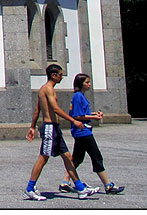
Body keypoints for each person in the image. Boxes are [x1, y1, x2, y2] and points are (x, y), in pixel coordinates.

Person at [24, 64, 100, 201]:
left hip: (55, 129)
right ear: (53, 75)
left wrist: (32, 127)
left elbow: (37, 110)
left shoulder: (45, 89)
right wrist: (74, 121)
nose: (61, 77)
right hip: (50, 128)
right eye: (60, 74)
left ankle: (81, 188)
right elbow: (56, 109)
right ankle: (30, 188)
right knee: (43, 158)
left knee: (67, 157)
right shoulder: (48, 89)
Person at [57, 73, 125, 194]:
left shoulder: (80, 96)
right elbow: (77, 116)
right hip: (83, 132)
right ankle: (108, 185)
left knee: (77, 158)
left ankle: (65, 182)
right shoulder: (78, 96)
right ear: (80, 84)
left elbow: (83, 113)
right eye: (87, 82)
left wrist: (94, 114)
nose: (89, 84)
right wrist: (94, 118)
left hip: (82, 131)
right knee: (96, 156)